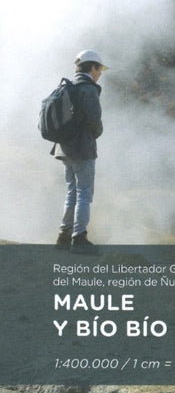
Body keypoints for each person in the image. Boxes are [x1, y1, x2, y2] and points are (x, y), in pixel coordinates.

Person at [54, 49, 108, 254]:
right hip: (82, 149)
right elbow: (94, 119)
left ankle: (63, 236)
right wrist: (97, 133)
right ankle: (79, 237)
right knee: (84, 193)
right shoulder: (89, 89)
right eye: (99, 68)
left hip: (64, 147)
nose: (100, 73)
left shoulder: (65, 86)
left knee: (71, 192)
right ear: (91, 67)